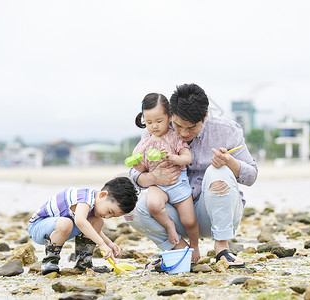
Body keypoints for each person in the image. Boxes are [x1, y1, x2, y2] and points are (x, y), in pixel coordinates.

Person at [127, 83, 258, 268]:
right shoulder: (155, 131)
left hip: (214, 212)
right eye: (178, 125)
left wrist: (229, 162)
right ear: (170, 114)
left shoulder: (227, 130)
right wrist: (151, 178)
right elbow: (133, 172)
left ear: (205, 116)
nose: (183, 133)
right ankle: (179, 251)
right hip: (174, 213)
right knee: (130, 209)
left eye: (191, 127)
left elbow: (252, 175)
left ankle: (222, 248)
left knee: (218, 171)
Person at [130, 93, 200, 263]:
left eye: (159, 121)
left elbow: (187, 158)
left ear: (169, 117)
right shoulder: (144, 142)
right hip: (157, 185)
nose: (154, 126)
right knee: (153, 205)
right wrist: (138, 165)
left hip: (178, 182)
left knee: (189, 220)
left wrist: (174, 158)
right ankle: (169, 226)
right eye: (149, 122)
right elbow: (140, 168)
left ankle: (195, 245)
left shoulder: (175, 136)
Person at [28, 176, 138, 275]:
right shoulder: (85, 199)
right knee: (66, 223)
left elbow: (91, 229)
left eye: (112, 216)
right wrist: (101, 244)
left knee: (97, 222)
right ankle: (50, 262)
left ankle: (83, 263)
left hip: (62, 229)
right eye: (109, 211)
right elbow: (80, 221)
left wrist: (109, 243)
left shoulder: (95, 204)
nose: (108, 216)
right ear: (103, 195)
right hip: (38, 228)